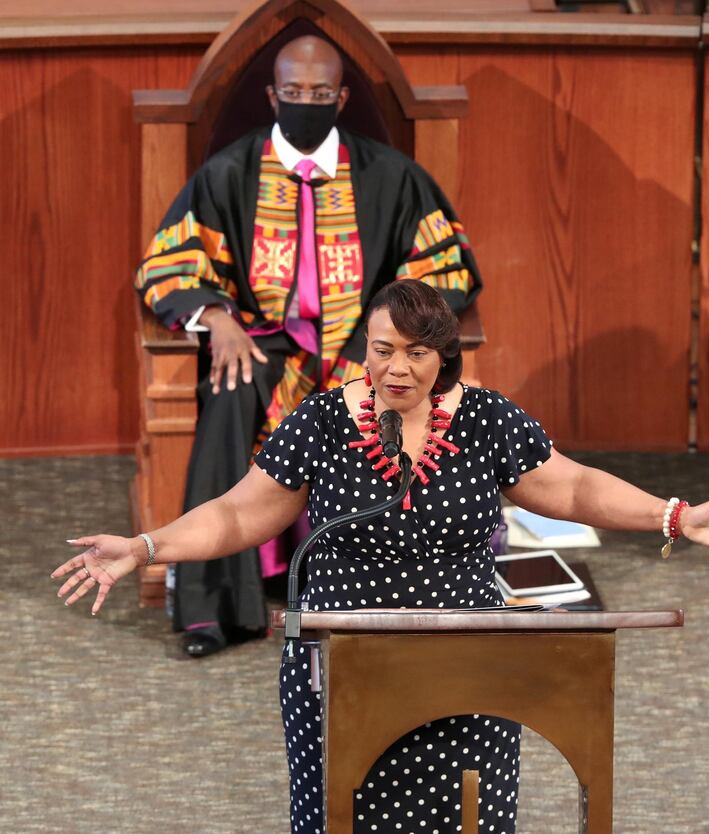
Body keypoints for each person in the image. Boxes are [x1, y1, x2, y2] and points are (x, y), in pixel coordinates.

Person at [53, 280, 709, 834]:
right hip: (345, 664)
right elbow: (241, 510)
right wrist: (146, 548)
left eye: (415, 352)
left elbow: (574, 486)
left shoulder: (487, 422)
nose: (396, 367)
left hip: (469, 666)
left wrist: (672, 514)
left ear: (443, 355)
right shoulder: (326, 421)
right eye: (381, 347)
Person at [134, 35, 482, 657]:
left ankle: (384, 595)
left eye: (319, 95)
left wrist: (388, 343)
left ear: (340, 98)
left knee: (392, 394)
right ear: (273, 95)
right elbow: (171, 260)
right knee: (230, 387)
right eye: (293, 94)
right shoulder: (229, 174)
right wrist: (216, 317)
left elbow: (445, 267)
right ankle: (215, 609)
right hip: (262, 341)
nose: (305, 104)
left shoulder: (392, 176)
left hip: (369, 344)